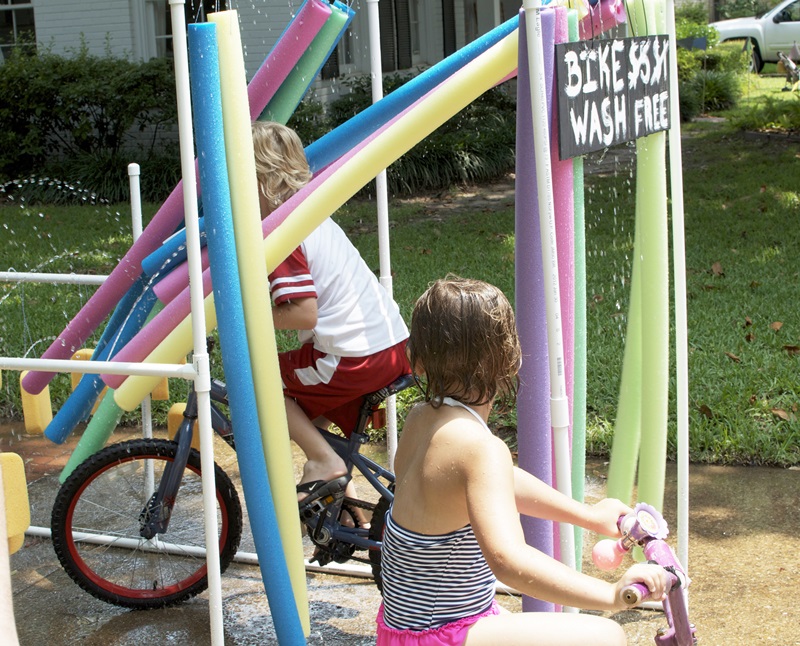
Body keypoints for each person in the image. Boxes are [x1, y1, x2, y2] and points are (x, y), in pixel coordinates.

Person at [376, 276, 669, 646]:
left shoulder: (420, 420)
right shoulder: (481, 450)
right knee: (605, 637)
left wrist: (587, 514)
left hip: (402, 631)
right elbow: (508, 561)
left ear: (416, 360)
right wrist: (612, 595)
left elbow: (499, 483)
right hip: (441, 636)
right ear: (510, 359)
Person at [252, 121, 411, 519]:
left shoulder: (281, 233)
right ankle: (343, 505)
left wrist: (245, 315)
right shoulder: (311, 216)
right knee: (304, 418)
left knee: (258, 383)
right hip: (386, 347)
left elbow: (303, 312)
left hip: (355, 357)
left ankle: (325, 463)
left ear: (261, 181)